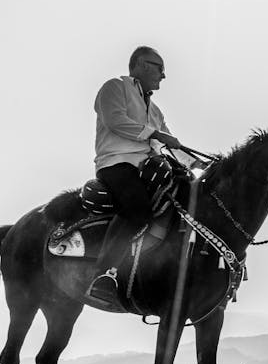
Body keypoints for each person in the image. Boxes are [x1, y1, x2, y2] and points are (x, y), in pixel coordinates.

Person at [86, 46, 204, 306]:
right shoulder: (114, 88)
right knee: (138, 210)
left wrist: (198, 164)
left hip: (148, 167)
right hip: (116, 164)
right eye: (159, 68)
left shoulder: (156, 111)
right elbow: (115, 121)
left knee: (187, 195)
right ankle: (104, 275)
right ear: (140, 64)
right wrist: (155, 134)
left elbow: (171, 144)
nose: (164, 75)